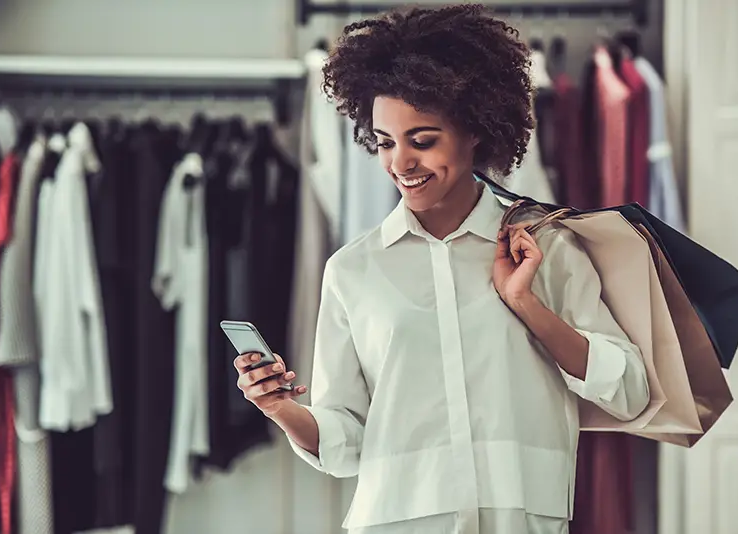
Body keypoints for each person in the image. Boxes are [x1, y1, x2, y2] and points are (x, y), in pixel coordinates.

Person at [234, 4, 650, 533]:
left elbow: (630, 390)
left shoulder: (548, 246)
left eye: (422, 140)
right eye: (385, 143)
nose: (400, 163)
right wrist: (278, 408)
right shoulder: (352, 271)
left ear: (475, 130)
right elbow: (347, 443)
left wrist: (526, 304)